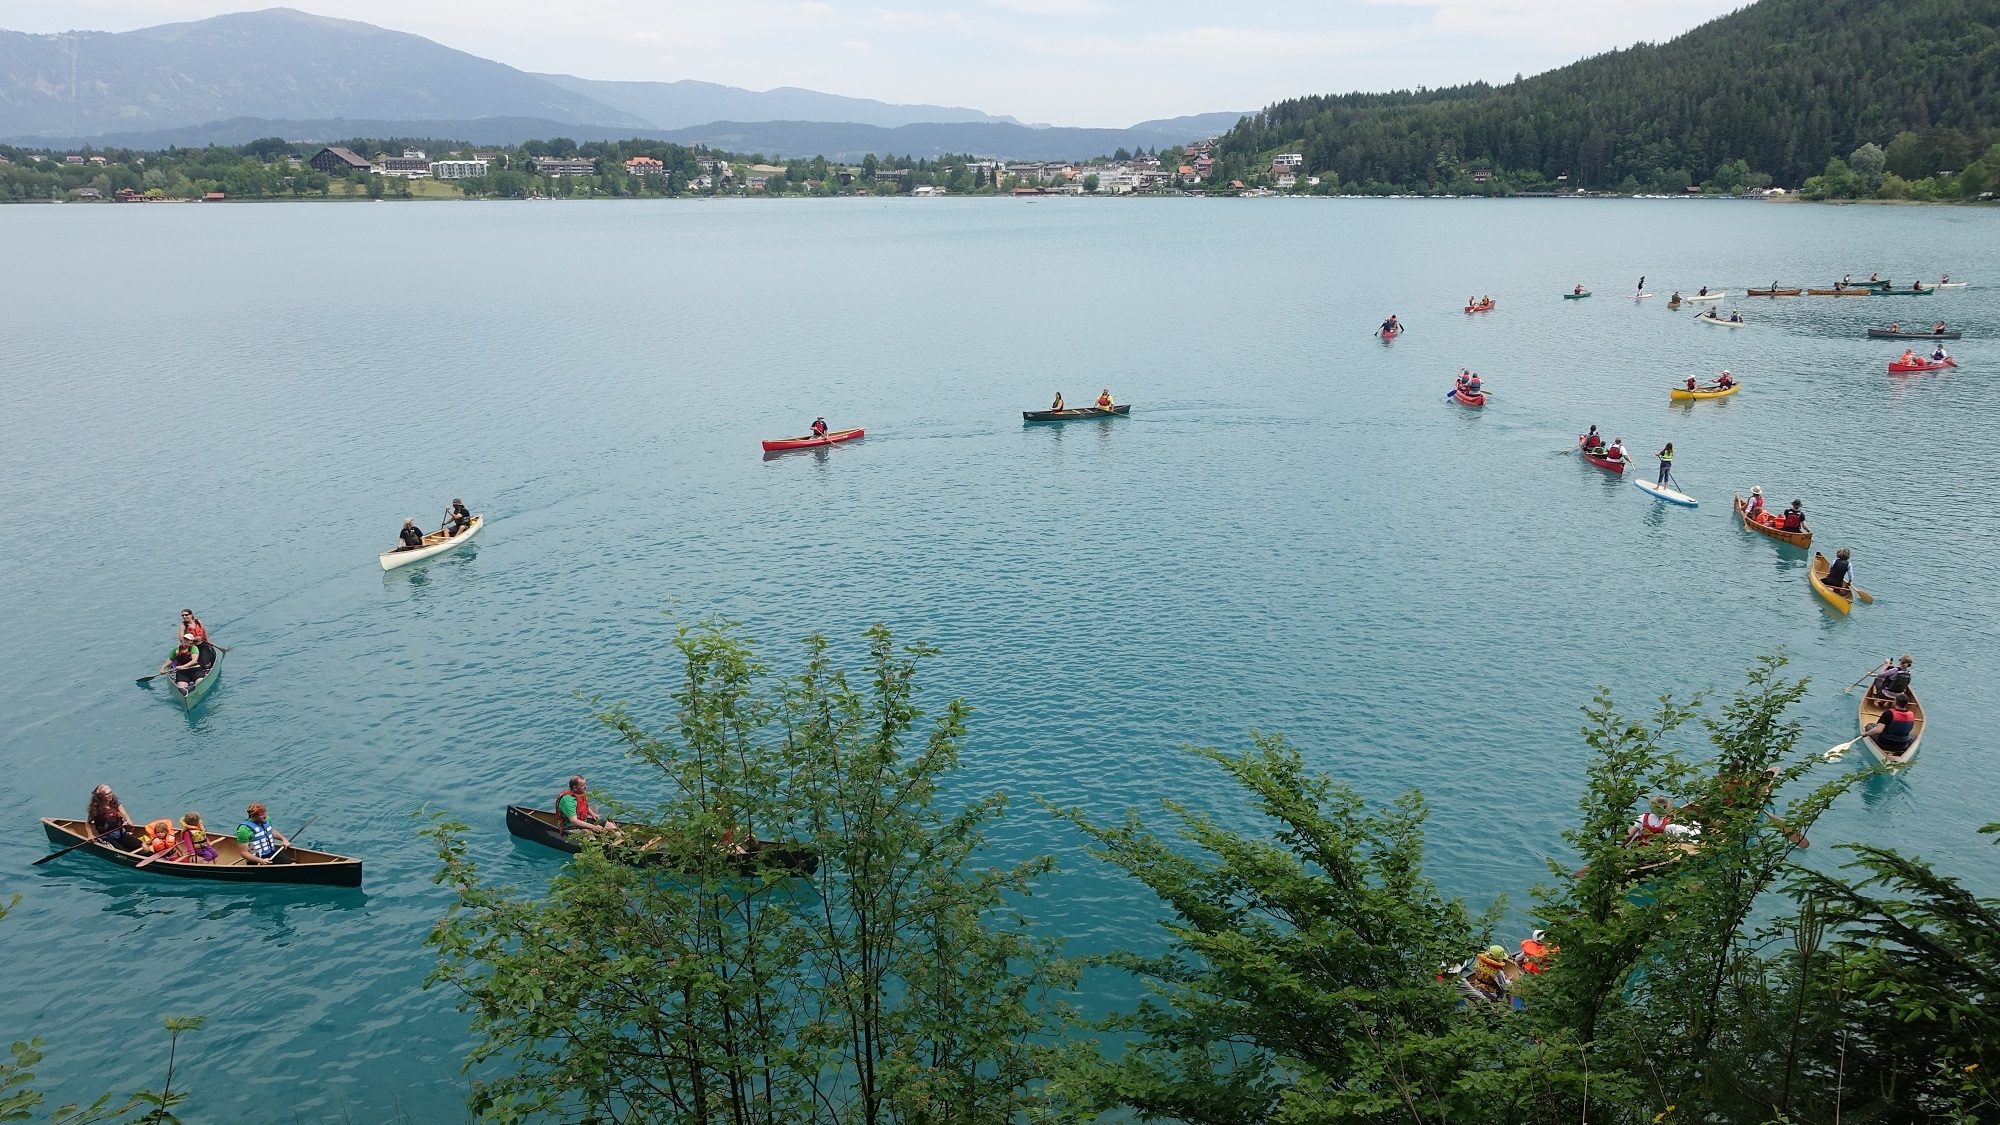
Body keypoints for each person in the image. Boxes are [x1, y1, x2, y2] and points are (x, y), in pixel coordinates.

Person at [87, 785, 144, 853]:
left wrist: (128, 820)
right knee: (123, 853)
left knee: (143, 846)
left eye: (111, 792)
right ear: (101, 797)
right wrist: (90, 835)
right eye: (107, 794)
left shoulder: (115, 802)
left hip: (121, 833)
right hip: (107, 838)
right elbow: (88, 823)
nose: (110, 795)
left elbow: (124, 814)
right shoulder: (96, 809)